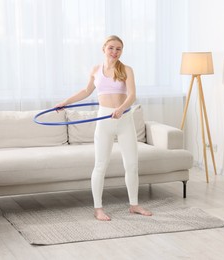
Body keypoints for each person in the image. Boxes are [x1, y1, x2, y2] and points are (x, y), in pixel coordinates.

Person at [55, 35, 152, 221]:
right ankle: (98, 208)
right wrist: (65, 102)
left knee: (131, 165)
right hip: (104, 120)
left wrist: (121, 108)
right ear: (104, 49)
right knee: (100, 165)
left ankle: (134, 205)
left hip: (124, 120)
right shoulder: (96, 70)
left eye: (118, 49)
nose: (115, 52)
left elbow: (132, 95)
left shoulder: (127, 70)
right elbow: (85, 91)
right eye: (111, 48)